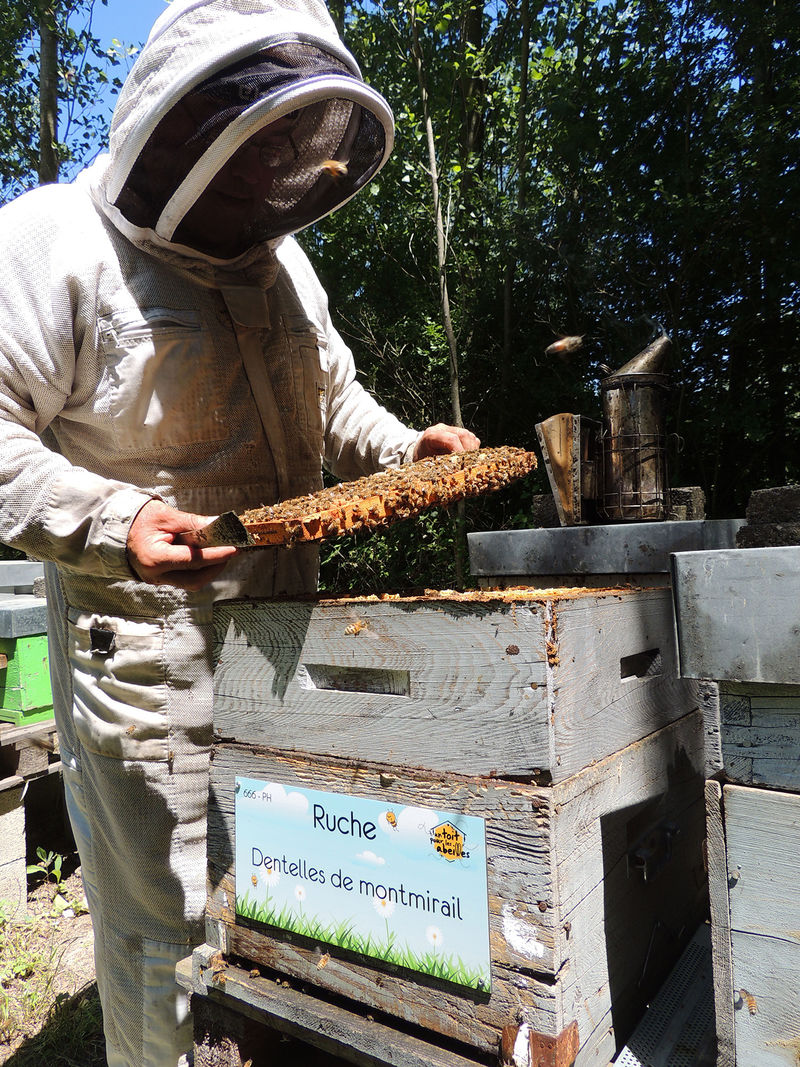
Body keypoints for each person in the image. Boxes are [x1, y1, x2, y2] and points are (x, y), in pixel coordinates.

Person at [0, 1, 479, 1064]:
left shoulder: (288, 264)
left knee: (289, 905)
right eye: (250, 153)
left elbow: (334, 404)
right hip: (149, 662)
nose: (266, 179)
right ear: (177, 120)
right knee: (166, 939)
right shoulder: (47, 241)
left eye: (283, 156)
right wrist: (114, 520)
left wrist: (406, 452)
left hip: (293, 649)